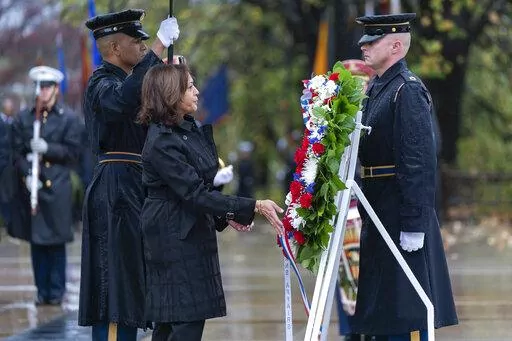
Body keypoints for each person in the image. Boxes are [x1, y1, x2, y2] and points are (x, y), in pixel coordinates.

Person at [137, 63, 284, 341]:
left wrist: (226, 214)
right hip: (172, 237)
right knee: (182, 322)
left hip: (188, 231)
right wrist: (252, 205)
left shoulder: (188, 129)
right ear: (171, 94)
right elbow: (194, 193)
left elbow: (203, 185)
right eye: (189, 86)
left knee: (176, 322)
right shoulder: (162, 141)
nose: (196, 91)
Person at [353, 13, 458, 340]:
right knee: (384, 310)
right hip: (380, 208)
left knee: (406, 310)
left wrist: (414, 223)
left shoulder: (407, 91)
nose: (364, 47)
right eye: (365, 41)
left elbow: (418, 163)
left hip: (400, 215)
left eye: (373, 41)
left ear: (396, 45)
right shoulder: (379, 88)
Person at [79, 8, 180, 341]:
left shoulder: (130, 81)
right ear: (114, 48)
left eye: (145, 41)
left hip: (134, 185)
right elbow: (122, 102)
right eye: (136, 40)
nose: (142, 45)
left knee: (133, 284)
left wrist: (173, 77)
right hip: (115, 189)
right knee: (115, 289)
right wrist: (159, 50)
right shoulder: (101, 82)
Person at [9, 66, 82, 306]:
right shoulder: (25, 118)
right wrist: (27, 174)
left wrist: (48, 149)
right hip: (34, 188)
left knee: (56, 243)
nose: (42, 91)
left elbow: (74, 153)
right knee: (38, 242)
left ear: (55, 89)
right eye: (39, 87)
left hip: (57, 187)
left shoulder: (68, 118)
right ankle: (42, 291)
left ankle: (56, 290)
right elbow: (16, 152)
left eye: (47, 86)